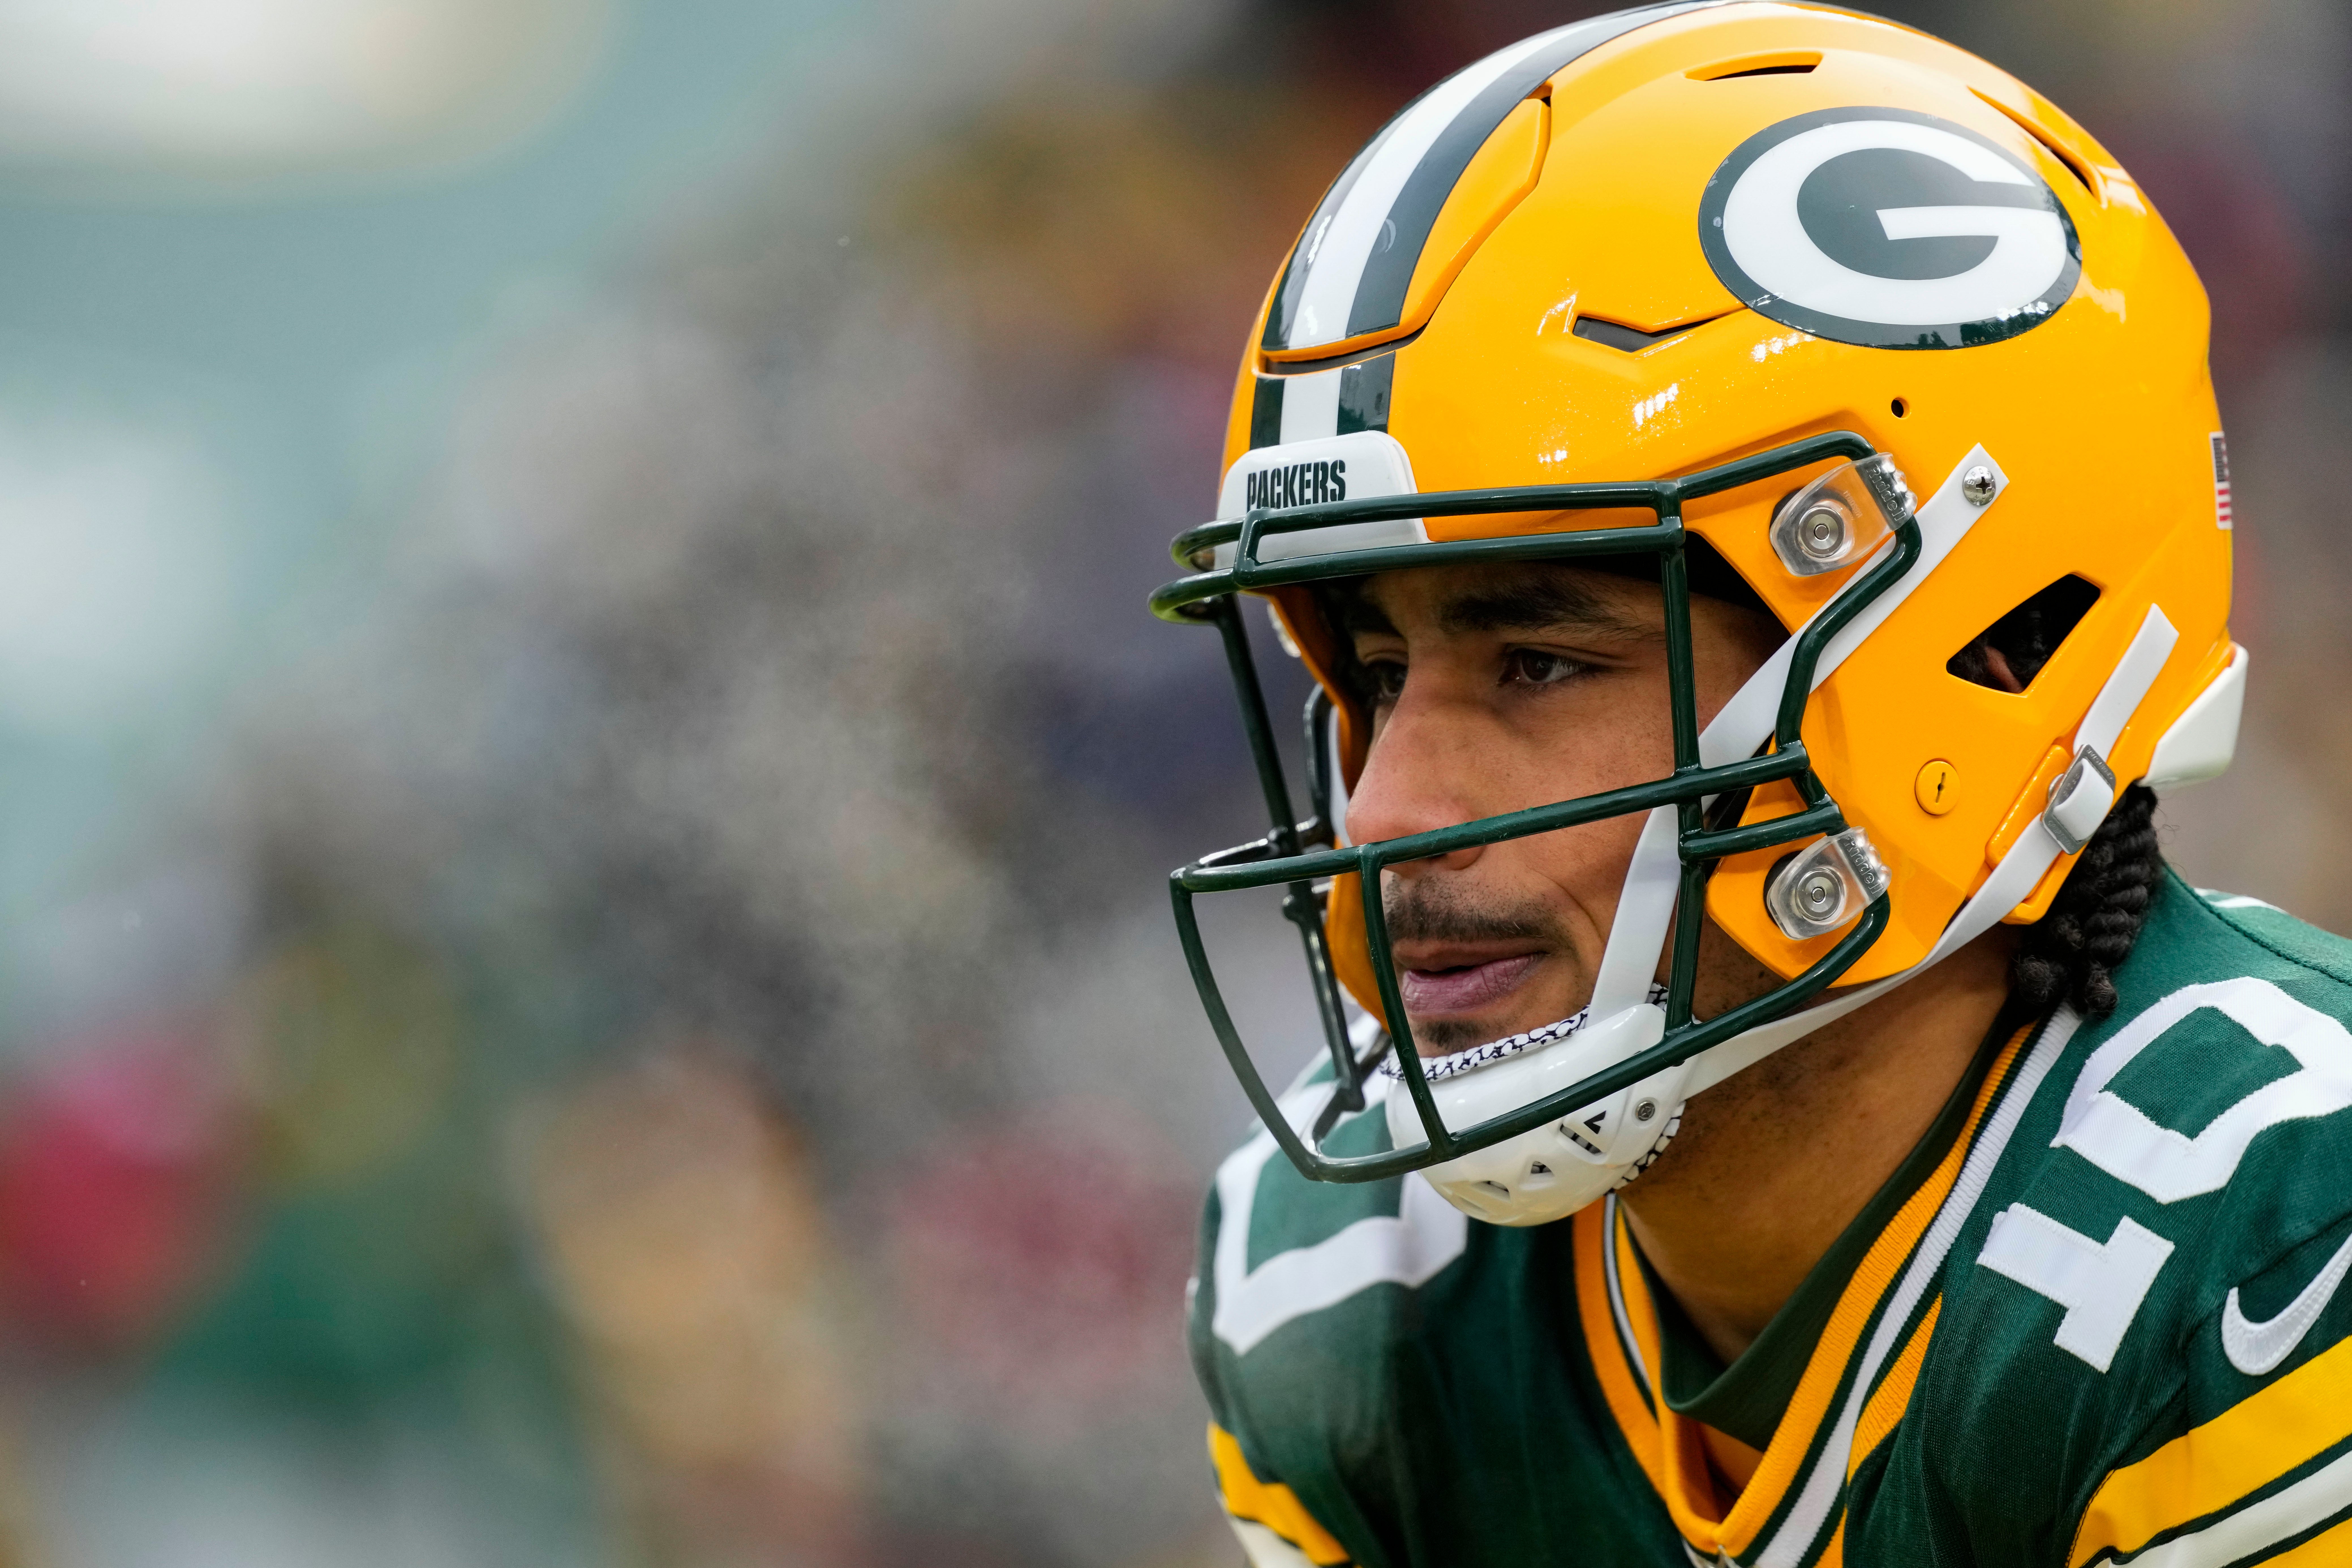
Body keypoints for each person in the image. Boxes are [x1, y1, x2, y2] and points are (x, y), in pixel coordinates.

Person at [1150, 6, 2345, 1565]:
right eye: (1379, 676)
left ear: (1969, 647)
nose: (1385, 811)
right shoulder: (1353, 1299)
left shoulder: (2275, 1249)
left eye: (1538, 664)